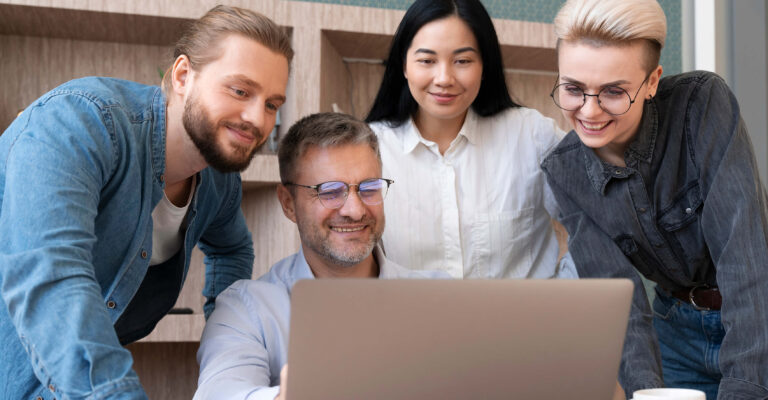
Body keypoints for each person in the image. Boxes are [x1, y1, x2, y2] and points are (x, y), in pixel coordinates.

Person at [0, 5, 292, 399]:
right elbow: (53, 276)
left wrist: (230, 338)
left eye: (272, 104)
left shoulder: (220, 181)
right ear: (184, 75)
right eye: (240, 91)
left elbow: (232, 247)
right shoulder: (81, 122)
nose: (258, 118)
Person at [541, 0, 768, 398]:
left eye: (613, 92)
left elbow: (744, 257)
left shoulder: (700, 105)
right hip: (676, 332)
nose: (589, 111)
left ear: (651, 82)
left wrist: (746, 386)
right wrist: (646, 392)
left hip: (757, 318)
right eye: (573, 89)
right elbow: (620, 300)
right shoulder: (565, 172)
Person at [193, 112, 446, 400]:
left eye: (369, 188)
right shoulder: (246, 308)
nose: (355, 210)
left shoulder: (439, 297)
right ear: (289, 204)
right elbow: (219, 393)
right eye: (330, 191)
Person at [365, 0, 575, 279]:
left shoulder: (532, 135)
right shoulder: (368, 149)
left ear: (484, 65)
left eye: (462, 61)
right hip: (412, 322)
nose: (444, 78)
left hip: (524, 322)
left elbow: (597, 223)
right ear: (404, 65)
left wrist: (564, 296)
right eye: (427, 60)